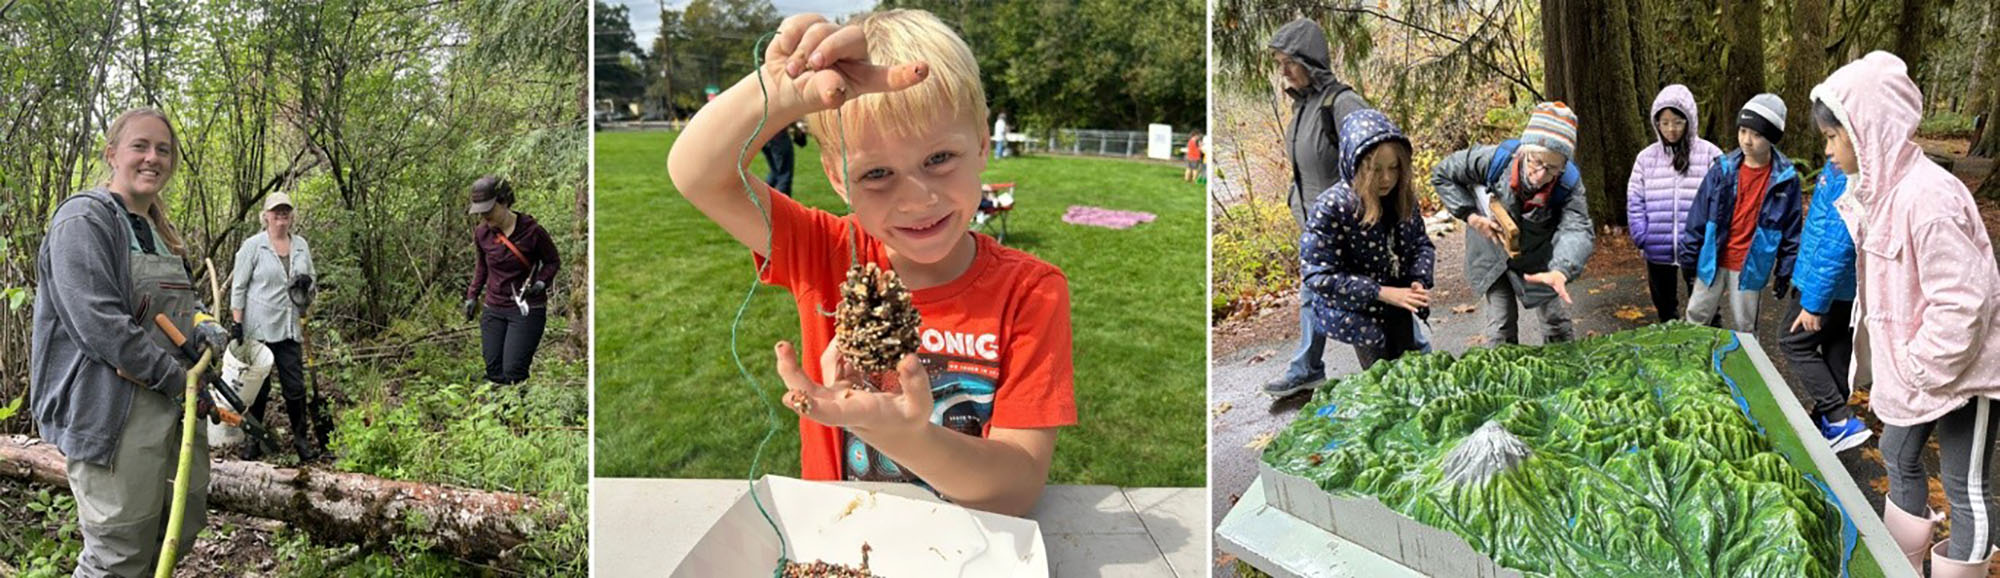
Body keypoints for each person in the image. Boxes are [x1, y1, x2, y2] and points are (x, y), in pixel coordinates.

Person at [666, 9, 1075, 516]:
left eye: (939, 159)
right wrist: (781, 90)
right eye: (877, 172)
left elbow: (1017, 487)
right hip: (837, 542)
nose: (917, 199)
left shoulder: (1032, 292)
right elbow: (696, 174)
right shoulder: (825, 250)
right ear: (839, 180)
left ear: (982, 148)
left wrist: (905, 437)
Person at [1816, 51, 2000, 575]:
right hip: (1914, 370)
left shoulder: (1930, 199)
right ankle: (1901, 565)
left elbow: (1965, 301)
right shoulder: (1875, 195)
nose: (1827, 150)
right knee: (1897, 451)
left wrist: (1920, 365)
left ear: (1867, 129)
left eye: (1834, 137)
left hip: (1968, 373)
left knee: (1966, 489)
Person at [30, 107, 230, 577]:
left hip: (171, 409)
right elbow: (101, 323)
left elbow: (179, 301)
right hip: (113, 415)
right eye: (140, 146)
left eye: (163, 150)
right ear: (112, 153)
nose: (152, 158)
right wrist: (176, 378)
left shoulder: (159, 230)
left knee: (174, 529)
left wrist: (202, 325)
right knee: (117, 555)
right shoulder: (83, 220)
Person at [1262, 17, 1374, 398]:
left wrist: (1357, 213)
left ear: (1309, 60)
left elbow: (1378, 160)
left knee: (1367, 305)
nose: (1284, 71)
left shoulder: (1341, 104)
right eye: (1279, 64)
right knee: (1312, 293)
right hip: (1314, 228)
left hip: (1349, 230)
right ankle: (1307, 368)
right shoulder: (1303, 107)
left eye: (1289, 62)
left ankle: (1401, 370)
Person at [1433, 102, 1593, 345]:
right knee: (1501, 324)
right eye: (1536, 162)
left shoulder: (1568, 184)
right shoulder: (1493, 160)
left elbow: (1577, 228)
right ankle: (1505, 379)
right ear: (1524, 152)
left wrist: (1561, 269)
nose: (1540, 175)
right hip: (1491, 251)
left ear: (1563, 166)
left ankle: (1565, 375)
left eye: (1552, 168)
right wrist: (1472, 217)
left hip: (1537, 257)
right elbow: (1443, 174)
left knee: (1556, 322)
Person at [1301, 110, 1434, 368]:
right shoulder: (1332, 207)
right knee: (1381, 380)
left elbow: (1421, 243)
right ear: (1356, 165)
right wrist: (1381, 292)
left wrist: (1418, 278)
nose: (1386, 179)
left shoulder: (1403, 198)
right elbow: (1318, 276)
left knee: (1412, 371)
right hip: (1358, 314)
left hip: (1399, 306)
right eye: (1375, 170)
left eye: (1394, 168)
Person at [1676, 93, 1803, 333]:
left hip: (1751, 264)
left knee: (1744, 325)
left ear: (1772, 138)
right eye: (1743, 131)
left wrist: (1786, 269)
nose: (1747, 140)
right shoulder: (1722, 170)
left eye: (1757, 134)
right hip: (1713, 258)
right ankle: (1691, 364)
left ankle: (1742, 368)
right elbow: (1698, 215)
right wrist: (1689, 255)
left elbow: (1791, 230)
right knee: (1696, 315)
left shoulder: (1786, 181)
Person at [1781, 157, 1867, 453]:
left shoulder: (1848, 175)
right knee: (1836, 347)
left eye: (1832, 136)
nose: (1827, 148)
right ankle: (1826, 422)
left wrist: (1813, 303)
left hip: (1825, 288)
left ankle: (1838, 418)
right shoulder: (1843, 168)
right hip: (1847, 291)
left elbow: (1837, 244)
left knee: (1793, 342)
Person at [228, 192, 321, 461]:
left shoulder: (301, 245)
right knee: (259, 389)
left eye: (286, 212)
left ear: (291, 216)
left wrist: (307, 285)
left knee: (295, 387)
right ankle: (253, 441)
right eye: (276, 212)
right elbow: (240, 286)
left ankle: (301, 441)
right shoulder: (253, 246)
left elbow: (312, 279)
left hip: (291, 327)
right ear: (266, 216)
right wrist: (237, 323)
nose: (281, 216)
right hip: (259, 330)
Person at [1626, 84, 1724, 322]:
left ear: (1689, 121)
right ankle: (1673, 351)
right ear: (1656, 123)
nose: (1671, 129)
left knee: (1705, 309)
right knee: (1665, 309)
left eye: (1678, 122)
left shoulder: (1710, 155)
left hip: (1698, 248)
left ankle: (1711, 353)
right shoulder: (1646, 158)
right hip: (1658, 247)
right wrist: (1642, 235)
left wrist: (1711, 239)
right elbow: (1635, 199)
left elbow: (1722, 202)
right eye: (1665, 122)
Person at [460, 176, 561, 385]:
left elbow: (552, 262)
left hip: (526, 308)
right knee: (493, 367)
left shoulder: (532, 232)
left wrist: (541, 282)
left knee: (513, 370)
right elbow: (482, 267)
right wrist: (472, 296)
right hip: (494, 306)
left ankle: (518, 412)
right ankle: (500, 414)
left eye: (488, 209)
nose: (484, 216)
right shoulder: (482, 233)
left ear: (504, 201)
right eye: (480, 211)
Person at [762, 122, 808, 196]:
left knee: (774, 172)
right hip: (779, 136)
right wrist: (797, 129)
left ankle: (764, 198)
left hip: (764, 137)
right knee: (784, 174)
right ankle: (782, 204)